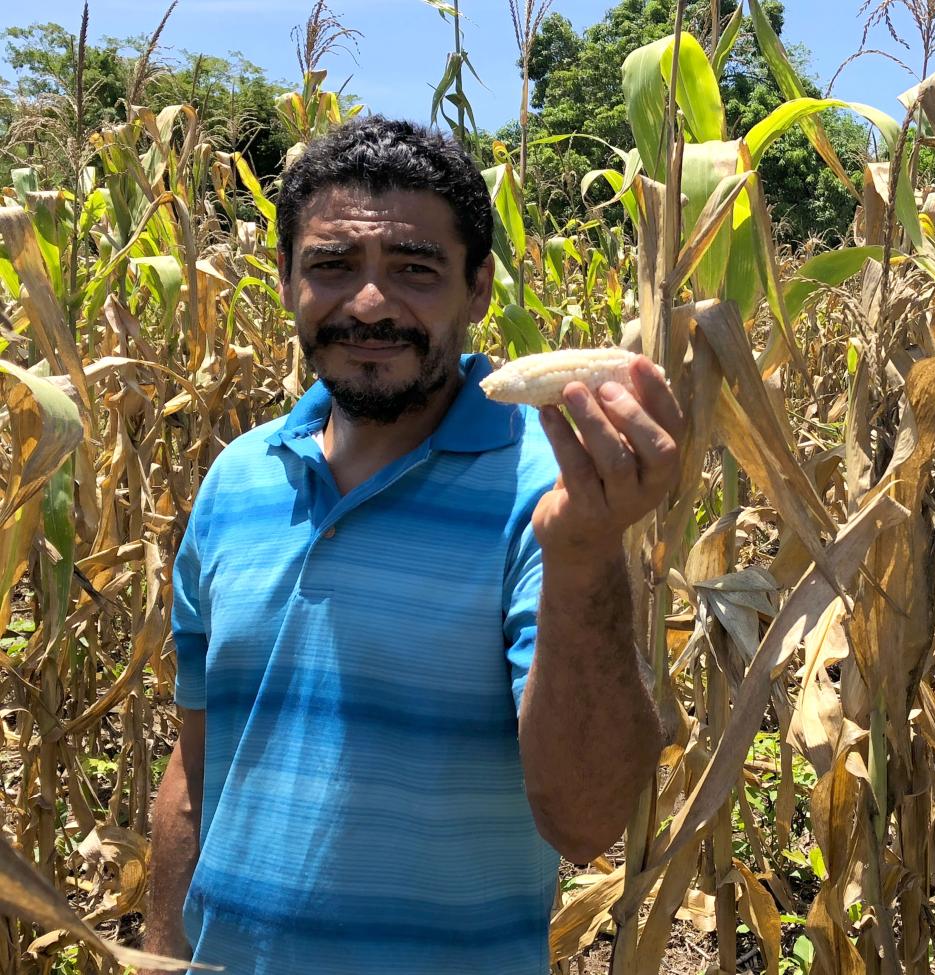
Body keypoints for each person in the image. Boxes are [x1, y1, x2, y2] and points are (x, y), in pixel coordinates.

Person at [142, 116, 681, 975]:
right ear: (285, 282)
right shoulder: (236, 481)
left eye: (414, 271)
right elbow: (201, 763)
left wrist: (581, 555)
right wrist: (162, 957)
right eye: (331, 266)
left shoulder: (550, 490)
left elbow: (587, 820)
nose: (368, 304)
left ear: (478, 289)